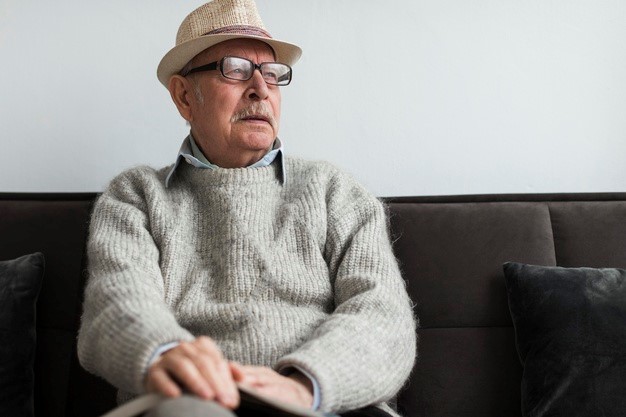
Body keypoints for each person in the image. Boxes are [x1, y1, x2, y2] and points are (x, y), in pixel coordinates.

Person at [77, 1, 416, 416]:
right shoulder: (136, 196)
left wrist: (305, 385)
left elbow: (384, 316)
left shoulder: (335, 192)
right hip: (195, 400)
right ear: (184, 96)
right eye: (234, 69)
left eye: (272, 74)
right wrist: (165, 353)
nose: (261, 88)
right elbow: (117, 303)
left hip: (322, 401)